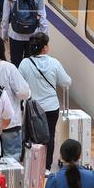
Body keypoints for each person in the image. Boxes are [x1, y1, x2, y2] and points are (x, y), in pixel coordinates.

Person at [19, 33, 71, 171]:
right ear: (45, 48)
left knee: (32, 137)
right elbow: (66, 81)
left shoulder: (25, 63)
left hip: (33, 108)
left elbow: (20, 85)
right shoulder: (54, 63)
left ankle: (33, 165)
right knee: (50, 136)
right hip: (51, 107)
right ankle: (46, 167)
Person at [0, 37, 31, 164]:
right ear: (2, 49)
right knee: (11, 159)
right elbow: (23, 92)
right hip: (10, 122)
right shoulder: (9, 68)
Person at [0, 0, 49, 66]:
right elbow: (43, 18)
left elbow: (5, 18)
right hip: (33, 35)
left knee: (16, 63)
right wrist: (44, 38)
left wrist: (4, 35)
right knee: (30, 64)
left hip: (15, 34)